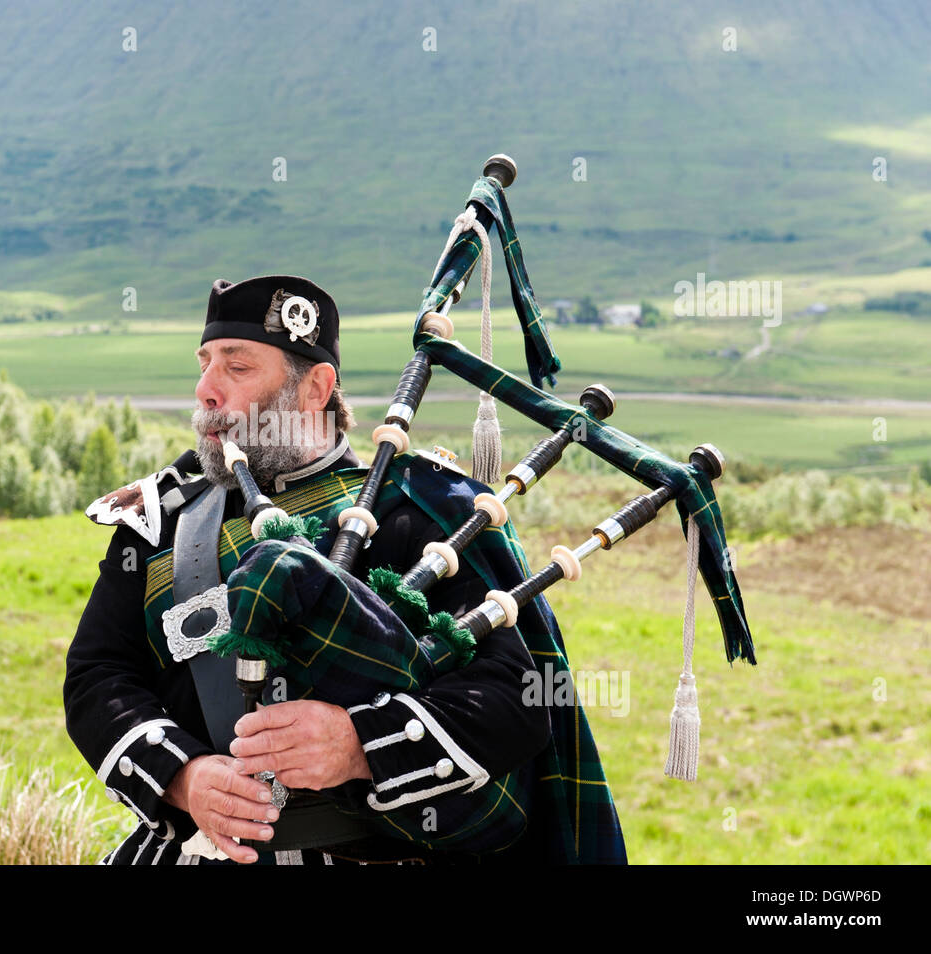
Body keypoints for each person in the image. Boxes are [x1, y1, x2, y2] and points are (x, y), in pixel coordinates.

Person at [63, 275, 625, 865]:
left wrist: (360, 744)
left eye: (237, 366)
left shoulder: (423, 511)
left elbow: (517, 697)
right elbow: (98, 675)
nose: (206, 390)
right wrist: (186, 776)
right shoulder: (162, 524)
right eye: (204, 364)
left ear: (315, 388)